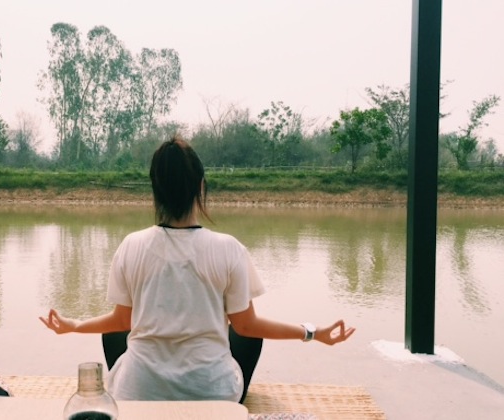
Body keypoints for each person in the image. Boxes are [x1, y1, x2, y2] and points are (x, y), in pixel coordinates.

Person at [40, 135, 355, 403]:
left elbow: (122, 320)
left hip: (137, 392)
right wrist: (312, 333)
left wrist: (74, 325)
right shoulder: (228, 248)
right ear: (201, 186)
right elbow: (247, 327)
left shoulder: (131, 246)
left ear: (155, 189)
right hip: (212, 391)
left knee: (117, 332)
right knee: (245, 328)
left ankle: (144, 382)